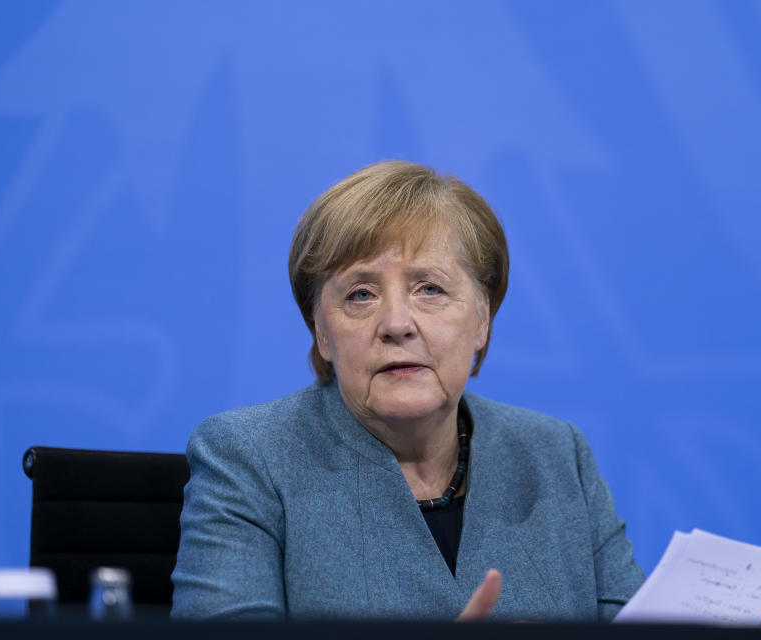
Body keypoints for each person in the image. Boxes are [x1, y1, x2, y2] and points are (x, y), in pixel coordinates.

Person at [171, 161, 644, 621]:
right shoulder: (250, 457)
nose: (396, 324)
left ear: (482, 319)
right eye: (361, 294)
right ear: (321, 331)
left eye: (430, 289)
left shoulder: (556, 453)